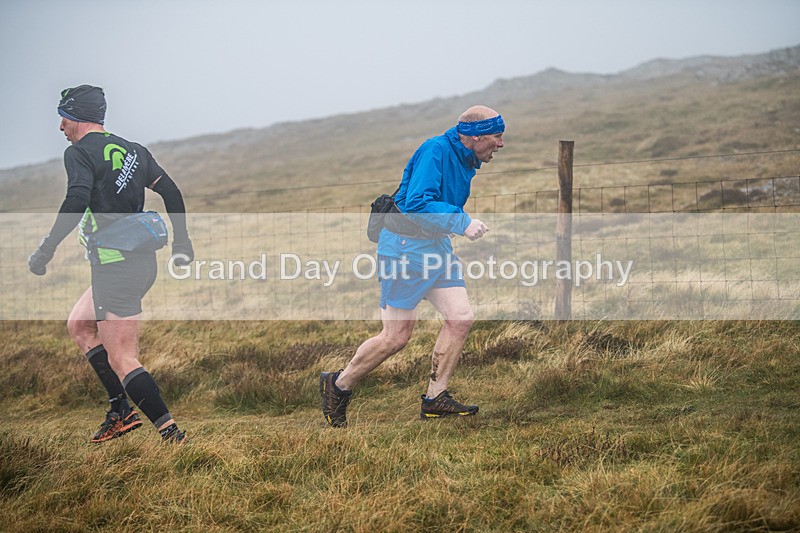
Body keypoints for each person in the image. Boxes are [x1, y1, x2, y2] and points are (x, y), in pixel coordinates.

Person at [28, 85, 194, 444]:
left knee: (123, 358)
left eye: (64, 117)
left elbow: (77, 198)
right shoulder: (133, 150)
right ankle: (120, 408)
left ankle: (172, 437)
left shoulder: (79, 153)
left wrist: (46, 248)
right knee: (79, 325)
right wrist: (182, 241)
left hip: (115, 267)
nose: (61, 127)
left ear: (77, 117)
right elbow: (172, 191)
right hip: (138, 261)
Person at [320, 105, 505, 427]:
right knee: (396, 337)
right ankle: (339, 385)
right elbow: (417, 202)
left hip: (435, 246)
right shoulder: (435, 150)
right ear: (475, 137)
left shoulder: (464, 158)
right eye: (497, 136)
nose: (501, 144)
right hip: (405, 249)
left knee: (460, 319)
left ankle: (435, 398)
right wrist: (461, 222)